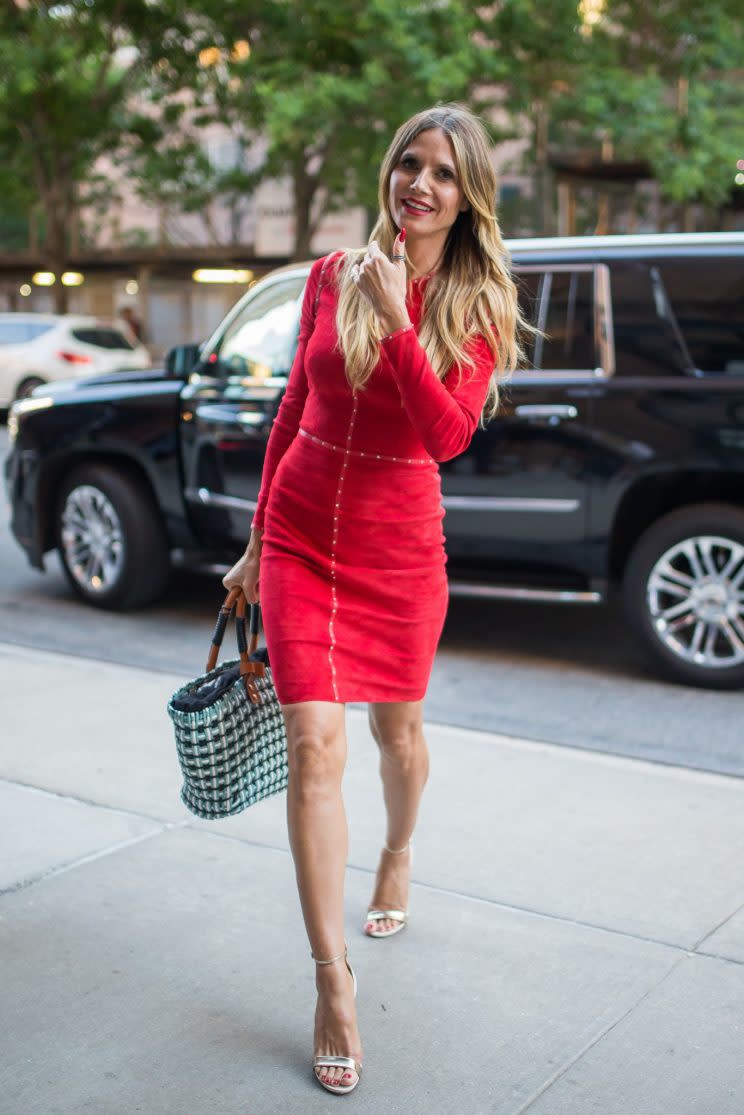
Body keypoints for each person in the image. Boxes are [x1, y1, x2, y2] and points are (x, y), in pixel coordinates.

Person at [222, 102, 531, 1097]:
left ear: (466, 196)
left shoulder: (475, 302)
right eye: (409, 161)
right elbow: (292, 411)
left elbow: (445, 436)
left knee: (400, 735)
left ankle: (398, 850)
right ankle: (331, 982)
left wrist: (401, 322)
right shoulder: (328, 276)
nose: (421, 183)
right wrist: (255, 537)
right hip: (303, 537)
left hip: (401, 552)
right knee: (316, 744)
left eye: (443, 172)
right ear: (389, 171)